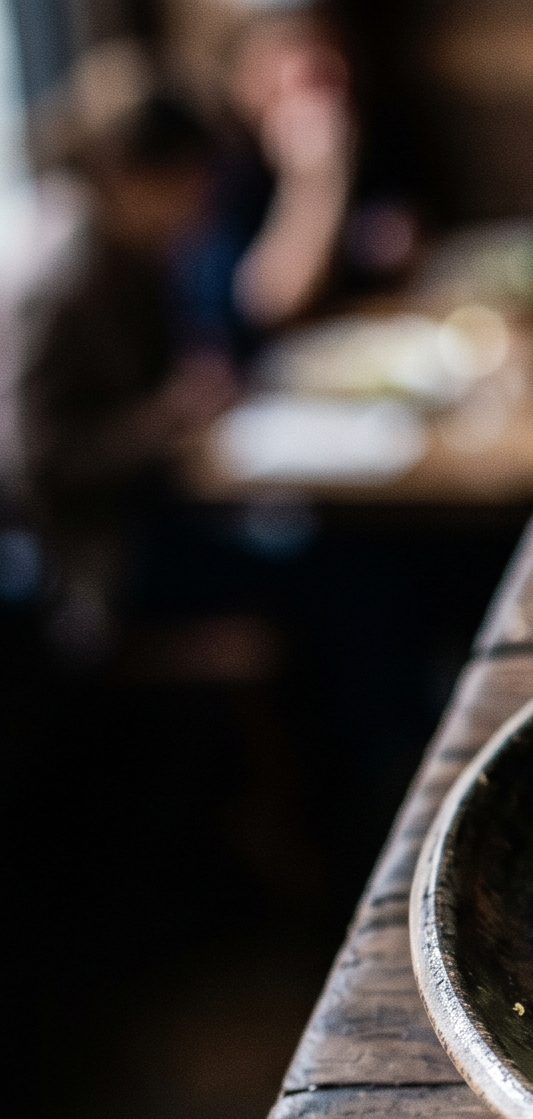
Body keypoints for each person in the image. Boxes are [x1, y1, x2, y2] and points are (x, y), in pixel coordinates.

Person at [20, 88, 234, 663]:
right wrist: (163, 420)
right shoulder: (65, 279)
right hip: (100, 566)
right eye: (189, 181)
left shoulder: (133, 251)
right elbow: (36, 460)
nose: (200, 201)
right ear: (132, 177)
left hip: (152, 518)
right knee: (332, 578)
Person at [176, 7, 416, 365]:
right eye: (285, 51)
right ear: (240, 79)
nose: (311, 69)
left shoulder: (371, 132)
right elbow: (269, 308)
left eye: (322, 48)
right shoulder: (215, 174)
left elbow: (401, 241)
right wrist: (316, 184)